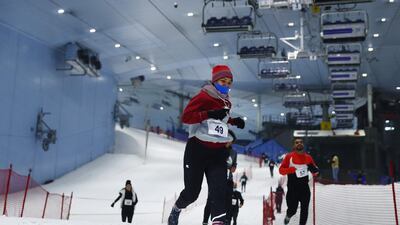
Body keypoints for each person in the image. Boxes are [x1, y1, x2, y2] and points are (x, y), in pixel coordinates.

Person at [167, 65, 245, 225]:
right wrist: (209, 113)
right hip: (197, 150)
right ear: (215, 81)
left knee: (219, 191)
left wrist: (233, 121)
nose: (226, 85)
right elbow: (186, 117)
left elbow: (220, 120)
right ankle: (176, 209)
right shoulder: (203, 96)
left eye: (229, 82)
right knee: (192, 193)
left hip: (218, 152)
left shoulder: (226, 101)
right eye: (223, 81)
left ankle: (218, 222)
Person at [279, 137, 319, 225]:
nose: (299, 143)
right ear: (294, 145)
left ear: (303, 144)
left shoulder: (308, 157)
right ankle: (288, 216)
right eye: (297, 142)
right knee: (292, 210)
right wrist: (291, 170)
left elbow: (315, 171)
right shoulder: (288, 156)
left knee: (304, 210)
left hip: (304, 189)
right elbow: (281, 171)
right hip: (292, 190)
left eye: (301, 142)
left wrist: (315, 171)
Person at [203, 130, 238, 225]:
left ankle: (226, 221)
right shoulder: (217, 149)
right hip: (216, 179)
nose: (230, 142)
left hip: (228, 180)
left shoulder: (233, 152)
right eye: (229, 140)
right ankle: (205, 221)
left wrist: (232, 168)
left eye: (232, 141)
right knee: (211, 200)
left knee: (227, 202)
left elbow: (234, 166)